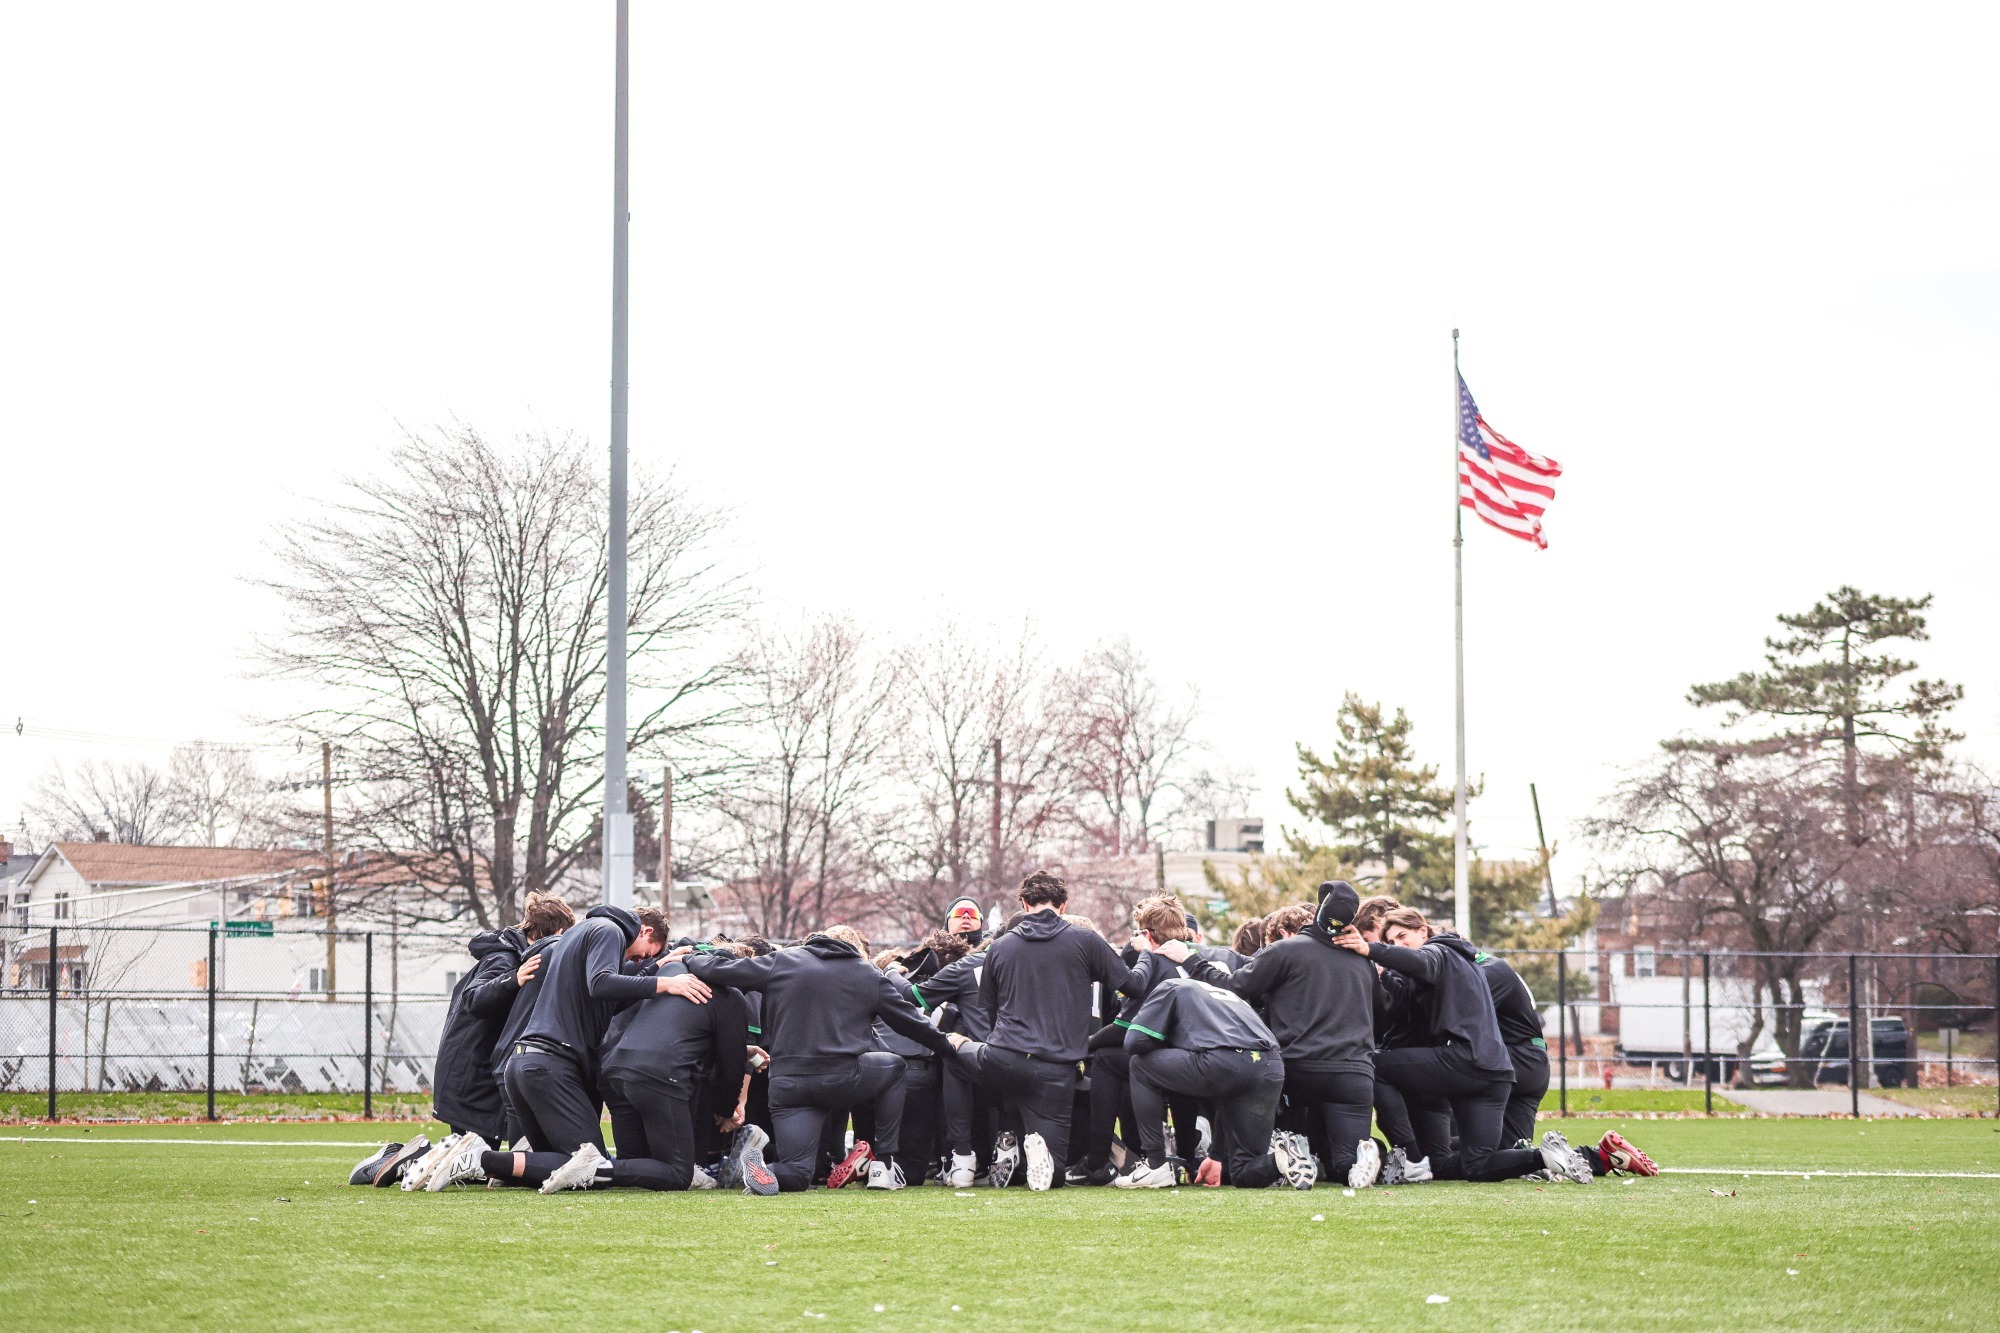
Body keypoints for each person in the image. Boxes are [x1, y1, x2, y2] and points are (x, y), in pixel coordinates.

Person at [426, 905, 700, 1191]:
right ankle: (480, 1158)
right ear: (643, 931)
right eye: (646, 952)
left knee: (561, 1165)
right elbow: (602, 983)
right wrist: (666, 983)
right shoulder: (609, 930)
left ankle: (471, 1159)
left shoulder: (576, 935)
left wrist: (655, 967)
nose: (641, 958)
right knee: (593, 1166)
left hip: (524, 1065)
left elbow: (608, 998)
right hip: (551, 1066)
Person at [683, 923, 955, 1193]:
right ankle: (883, 1164)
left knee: (798, 1172)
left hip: (788, 1085)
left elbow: (721, 970)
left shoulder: (783, 961)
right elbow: (911, 1023)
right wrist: (949, 1048)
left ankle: (767, 1169)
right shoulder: (867, 974)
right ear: (855, 949)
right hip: (842, 1077)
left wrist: (688, 957)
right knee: (894, 1066)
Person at [1335, 907, 1589, 1185]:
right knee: (1477, 1165)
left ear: (1423, 930)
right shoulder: (1462, 964)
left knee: (1372, 1064)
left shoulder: (1440, 951)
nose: (1398, 945)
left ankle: (1412, 1159)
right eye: (1392, 942)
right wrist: (1382, 973)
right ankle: (1545, 1157)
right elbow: (1407, 993)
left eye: (1402, 936)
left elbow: (1422, 964)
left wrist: (1369, 949)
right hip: (1495, 1075)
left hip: (1466, 1060)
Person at [1165, 881, 1380, 1188]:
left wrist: (1191, 960)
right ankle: (1365, 1157)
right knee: (1343, 1163)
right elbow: (1381, 1011)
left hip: (1296, 1069)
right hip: (1354, 1073)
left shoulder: (1286, 951)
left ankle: (1285, 1157)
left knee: (1249, 1143)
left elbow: (1235, 988)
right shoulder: (1363, 962)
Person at [944, 871, 1144, 1191]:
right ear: (1063, 906)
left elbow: (989, 1012)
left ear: (1024, 903)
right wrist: (1148, 952)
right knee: (1055, 1176)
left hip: (1003, 1058)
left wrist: (960, 1040)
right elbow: (1133, 986)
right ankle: (1033, 1148)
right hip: (1056, 1069)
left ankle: (964, 1155)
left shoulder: (999, 947)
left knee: (952, 1050)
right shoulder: (1086, 940)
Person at [538, 941, 759, 1194]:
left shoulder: (672, 971)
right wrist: (725, 1109)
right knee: (678, 1173)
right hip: (658, 1074)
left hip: (615, 1067)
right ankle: (594, 1167)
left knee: (636, 1162)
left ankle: (594, 1168)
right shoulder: (732, 997)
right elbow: (731, 1065)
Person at [401, 893, 574, 1191]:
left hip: (477, 1065)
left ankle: (414, 1158)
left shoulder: (513, 953)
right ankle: (405, 1158)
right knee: (473, 1159)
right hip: (472, 1069)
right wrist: (513, 980)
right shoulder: (504, 958)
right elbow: (474, 999)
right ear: (553, 931)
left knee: (479, 1159)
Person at [1114, 968, 1314, 1190]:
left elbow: (1133, 1043)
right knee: (1242, 1172)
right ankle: (1281, 1159)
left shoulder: (1170, 986)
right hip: (1270, 1066)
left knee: (1140, 1066)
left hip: (1226, 1062)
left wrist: (1168, 1039)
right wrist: (1216, 1155)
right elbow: (1227, 1089)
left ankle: (1156, 1165)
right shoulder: (1228, 997)